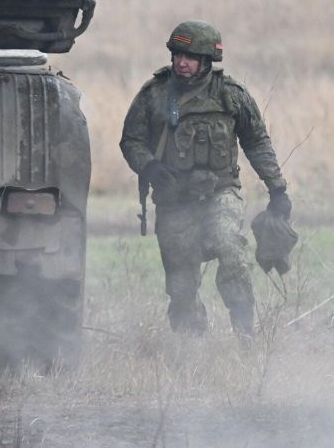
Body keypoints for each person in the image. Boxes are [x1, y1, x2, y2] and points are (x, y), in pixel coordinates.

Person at [119, 20, 291, 337]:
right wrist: (149, 166)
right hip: (174, 200)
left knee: (231, 248)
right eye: (177, 55)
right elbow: (131, 140)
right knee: (181, 285)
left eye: (190, 57)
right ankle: (191, 342)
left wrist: (277, 189)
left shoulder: (230, 95)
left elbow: (257, 142)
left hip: (220, 192)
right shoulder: (154, 94)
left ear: (207, 60)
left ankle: (245, 332)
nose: (182, 62)